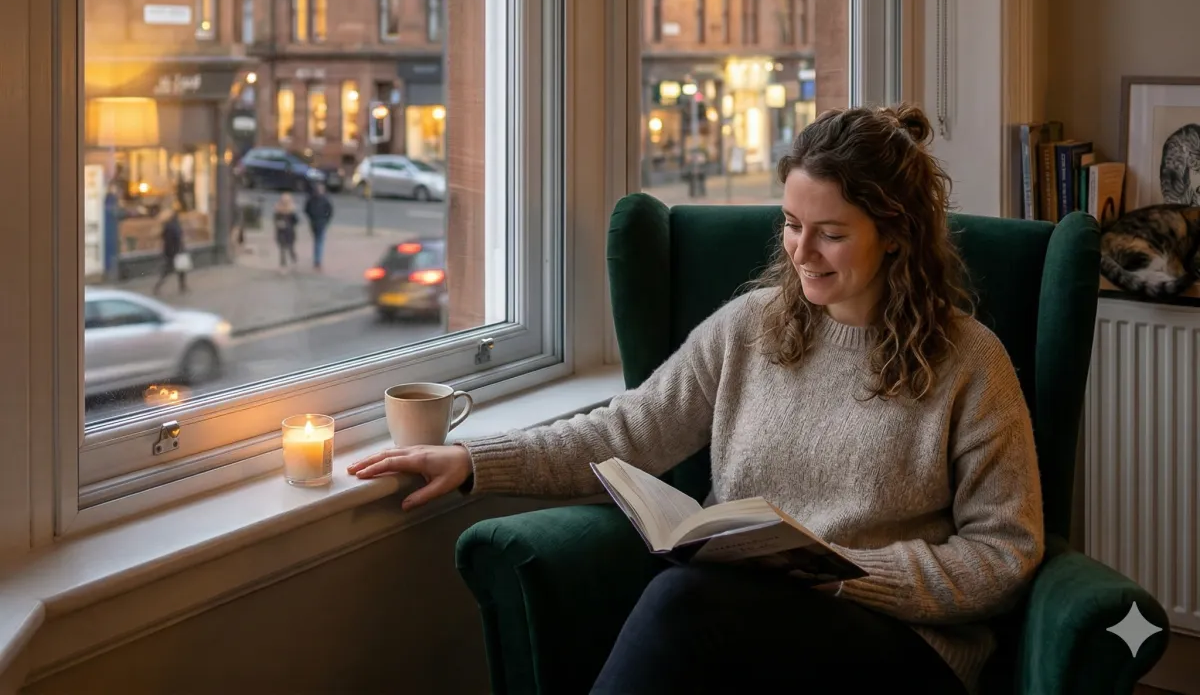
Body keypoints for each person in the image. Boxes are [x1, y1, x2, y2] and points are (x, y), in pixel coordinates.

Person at [348, 105, 1045, 695]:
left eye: (831, 234)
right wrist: (472, 460)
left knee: (685, 605)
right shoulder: (751, 328)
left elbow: (1004, 555)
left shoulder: (969, 361)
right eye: (791, 224)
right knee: (691, 609)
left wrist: (847, 575)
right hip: (750, 623)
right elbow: (627, 432)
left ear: (895, 236)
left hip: (903, 646)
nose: (803, 253)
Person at [152, 205, 188, 296]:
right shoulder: (170, 226)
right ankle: (158, 286)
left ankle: (182, 286)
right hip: (174, 251)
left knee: (180, 269)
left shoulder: (170, 225)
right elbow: (174, 239)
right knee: (170, 270)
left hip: (174, 251)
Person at [304, 181, 334, 271]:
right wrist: (326, 220)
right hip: (318, 223)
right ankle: (317, 261)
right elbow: (330, 211)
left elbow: (306, 209)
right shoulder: (324, 199)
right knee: (319, 241)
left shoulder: (312, 199)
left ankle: (317, 260)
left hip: (317, 223)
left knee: (318, 241)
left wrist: (312, 217)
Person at [273, 192, 299, 273]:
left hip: (290, 232)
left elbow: (296, 221)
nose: (284, 203)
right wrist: (278, 223)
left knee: (290, 248)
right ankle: (283, 265)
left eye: (286, 201)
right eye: (283, 201)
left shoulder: (291, 211)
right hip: (281, 232)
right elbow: (275, 220)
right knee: (282, 249)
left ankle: (293, 259)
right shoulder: (278, 211)